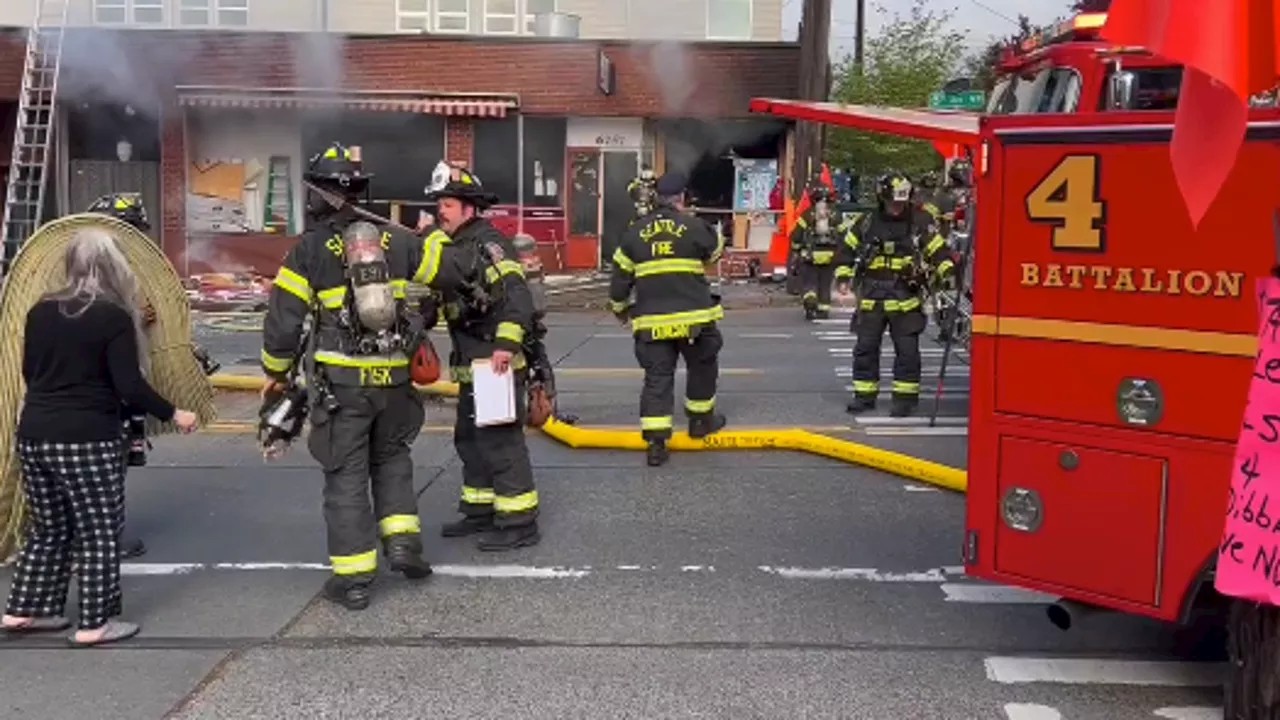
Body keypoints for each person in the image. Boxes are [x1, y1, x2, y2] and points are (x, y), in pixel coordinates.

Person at [260, 142, 439, 611]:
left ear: (320, 195)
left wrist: (275, 375)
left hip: (343, 386)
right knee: (394, 460)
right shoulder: (398, 241)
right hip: (395, 379)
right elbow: (444, 278)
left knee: (346, 476)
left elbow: (283, 323)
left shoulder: (311, 250)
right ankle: (404, 546)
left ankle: (355, 578)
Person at [0, 229, 198, 646]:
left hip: (35, 433)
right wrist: (174, 412)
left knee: (48, 529)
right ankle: (94, 623)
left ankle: (24, 611)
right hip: (87, 436)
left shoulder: (40, 310)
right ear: (115, 267)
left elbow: (30, 374)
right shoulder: (112, 316)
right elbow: (128, 385)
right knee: (98, 530)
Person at [85, 192, 220, 560]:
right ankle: (100, 539)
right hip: (100, 387)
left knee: (114, 461)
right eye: (125, 229)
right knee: (101, 466)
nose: (132, 238)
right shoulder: (90, 272)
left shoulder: (127, 268)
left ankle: (102, 532)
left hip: (116, 380)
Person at [425, 165, 541, 551]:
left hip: (495, 363)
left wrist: (505, 347)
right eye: (439, 203)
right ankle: (480, 510)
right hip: (471, 365)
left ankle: (519, 521)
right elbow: (433, 303)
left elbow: (517, 297)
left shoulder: (489, 246)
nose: (441, 211)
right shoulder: (451, 248)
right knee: (470, 438)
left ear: (469, 208)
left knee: (499, 442)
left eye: (448, 203)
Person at [608, 172, 726, 467]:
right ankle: (700, 422)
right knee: (701, 367)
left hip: (652, 322)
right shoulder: (692, 225)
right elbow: (714, 253)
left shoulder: (634, 232)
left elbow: (620, 278)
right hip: (695, 320)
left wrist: (620, 308)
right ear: (682, 199)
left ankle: (657, 445)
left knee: (657, 378)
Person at [834, 172, 955, 418]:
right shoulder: (866, 222)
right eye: (893, 202)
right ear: (883, 198)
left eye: (902, 202)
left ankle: (905, 400)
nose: (898, 207)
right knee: (866, 349)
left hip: (905, 296)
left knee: (907, 352)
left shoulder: (920, 221)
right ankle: (864, 397)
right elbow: (845, 250)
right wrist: (844, 278)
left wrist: (948, 272)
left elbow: (938, 250)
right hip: (872, 296)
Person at [789, 176, 842, 320]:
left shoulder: (807, 215)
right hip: (830, 256)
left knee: (809, 282)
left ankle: (810, 302)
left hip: (810, 255)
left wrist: (796, 251)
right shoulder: (837, 215)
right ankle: (823, 310)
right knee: (825, 284)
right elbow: (843, 236)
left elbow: (796, 236)